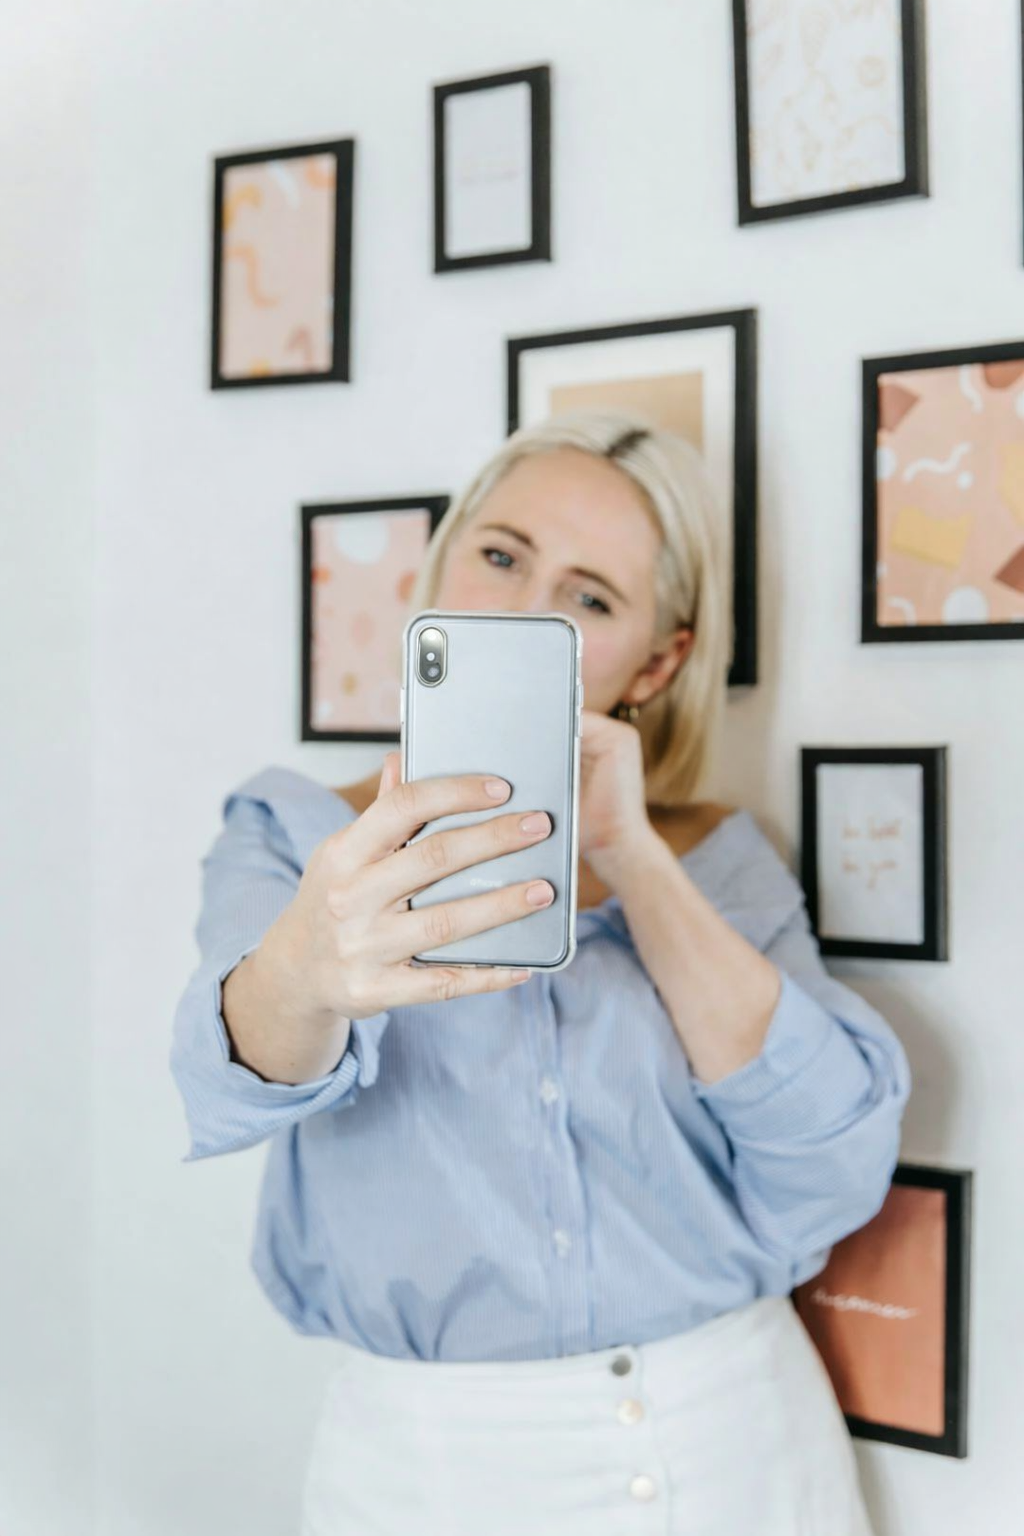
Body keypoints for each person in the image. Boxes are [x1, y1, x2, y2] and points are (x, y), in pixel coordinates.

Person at [170, 409, 911, 1536]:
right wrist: (312, 967)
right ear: (443, 561)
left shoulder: (717, 860)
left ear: (654, 662)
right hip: (436, 1470)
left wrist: (630, 858)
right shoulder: (299, 836)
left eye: (589, 596)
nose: (521, 609)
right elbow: (229, 1077)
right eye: (502, 555)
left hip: (741, 1437)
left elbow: (832, 1164)